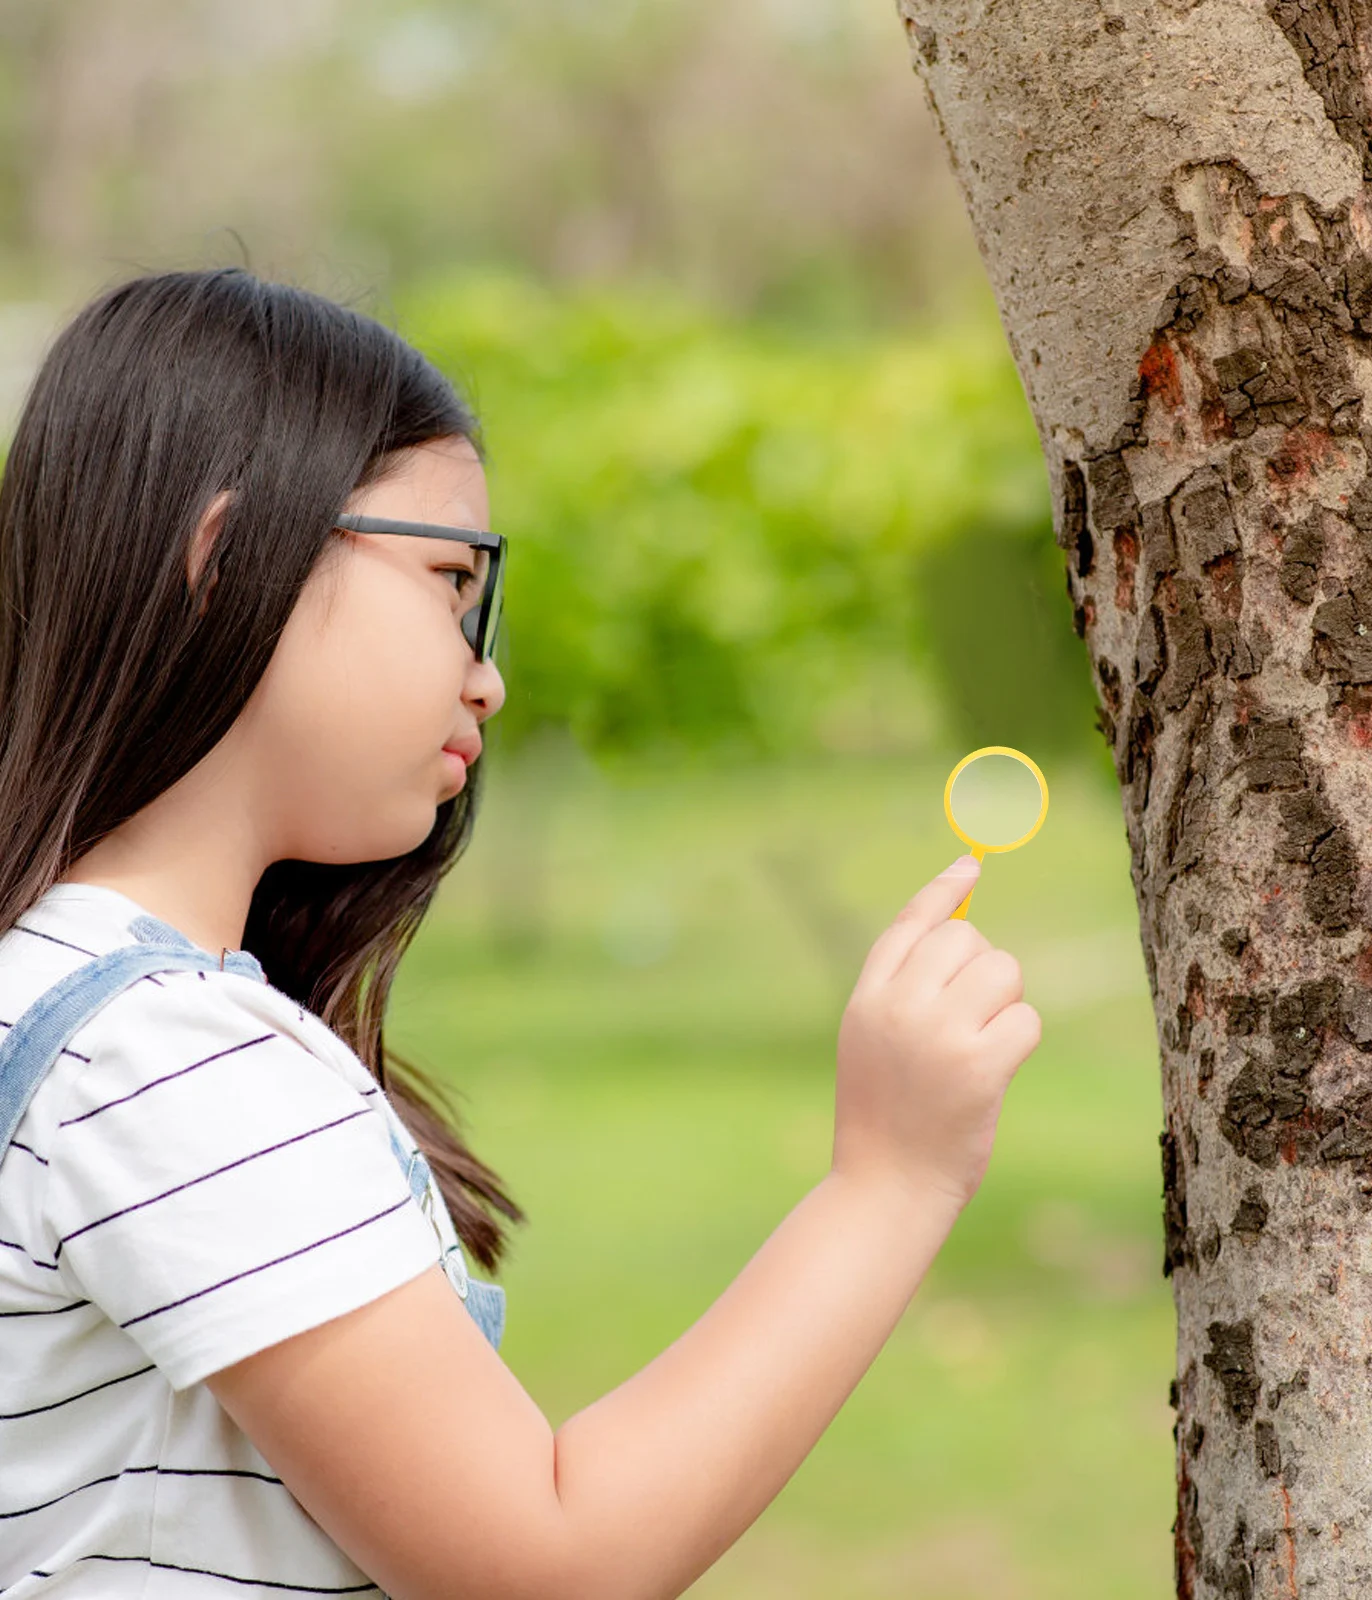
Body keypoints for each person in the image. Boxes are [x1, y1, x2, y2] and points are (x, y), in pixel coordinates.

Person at [0, 267, 1042, 1599]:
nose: (485, 671)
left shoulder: (59, 1000)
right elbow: (550, 1562)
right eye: (450, 581)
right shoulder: (171, 1066)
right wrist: (888, 1181)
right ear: (225, 557)